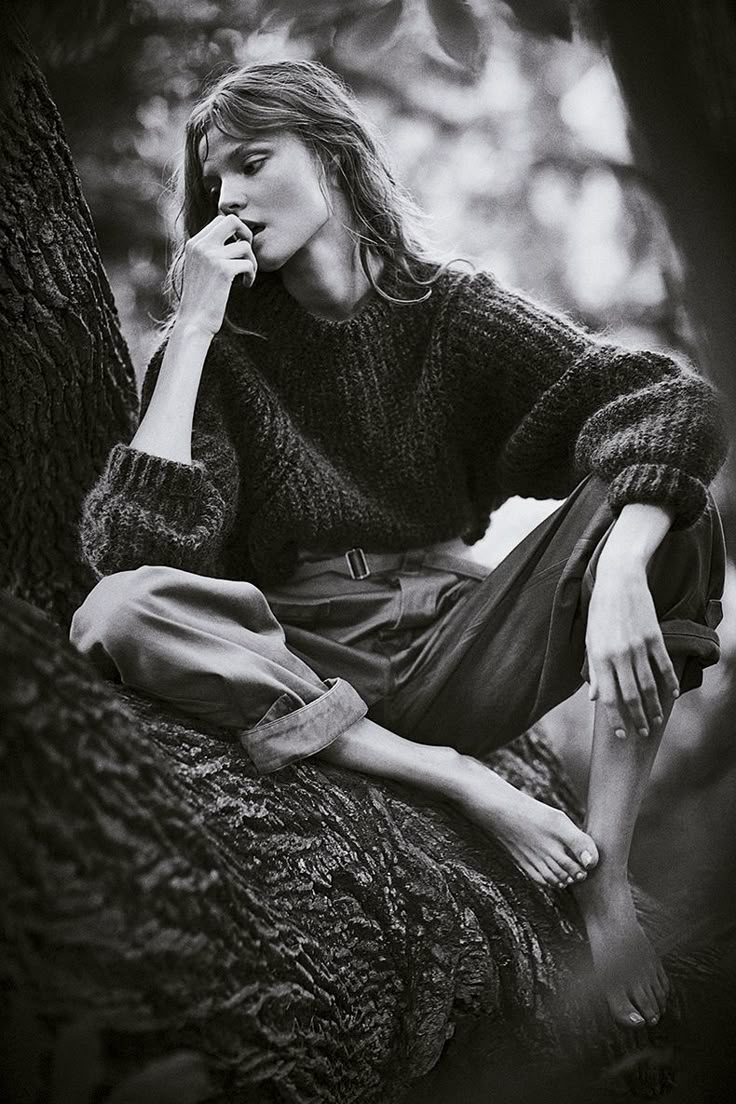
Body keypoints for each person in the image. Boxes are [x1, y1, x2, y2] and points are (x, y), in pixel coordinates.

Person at [70, 60, 727, 1031]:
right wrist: (196, 323)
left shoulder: (451, 315)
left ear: (334, 156)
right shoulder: (217, 355)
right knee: (120, 608)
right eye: (216, 183)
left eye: (254, 162)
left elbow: (667, 401)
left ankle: (607, 876)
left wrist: (622, 564)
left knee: (674, 521)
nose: (233, 197)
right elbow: (133, 550)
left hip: (449, 644)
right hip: (297, 660)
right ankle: (453, 780)